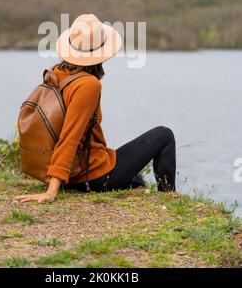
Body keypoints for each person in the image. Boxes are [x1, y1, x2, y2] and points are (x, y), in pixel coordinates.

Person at [16, 14, 176, 203]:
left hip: (77, 173)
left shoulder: (57, 72)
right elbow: (70, 137)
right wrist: (51, 192)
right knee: (164, 135)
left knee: (133, 177)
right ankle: (169, 198)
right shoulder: (88, 85)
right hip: (92, 178)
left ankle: (136, 187)